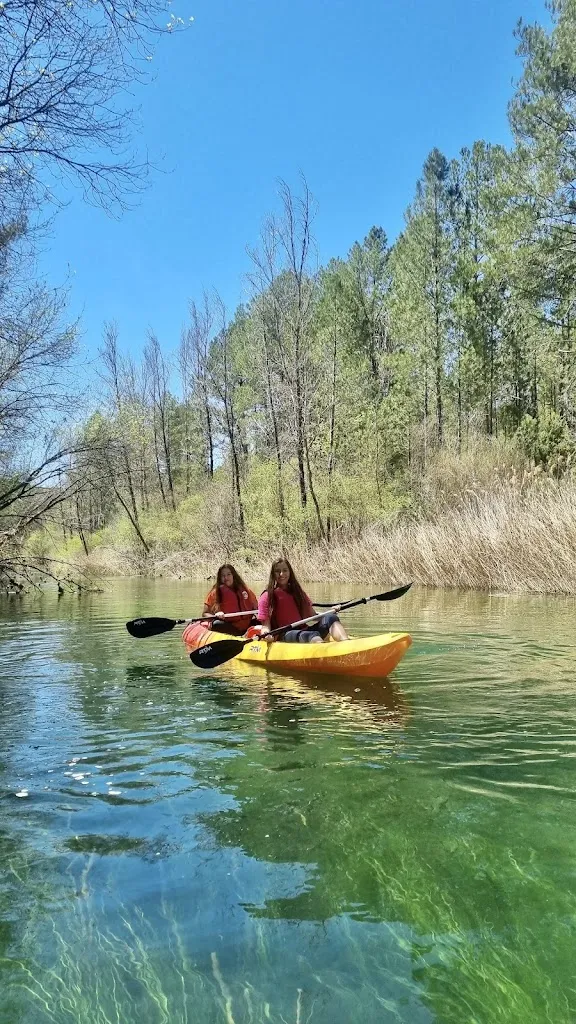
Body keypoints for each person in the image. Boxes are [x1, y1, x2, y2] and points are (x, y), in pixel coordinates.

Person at [256, 557, 349, 644]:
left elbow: (312, 615)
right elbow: (265, 626)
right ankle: (323, 650)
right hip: (284, 634)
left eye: (285, 570)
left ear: (290, 572)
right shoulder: (267, 596)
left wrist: (330, 613)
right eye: (277, 571)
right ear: (273, 574)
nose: (281, 574)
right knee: (311, 635)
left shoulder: (298, 593)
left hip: (304, 630)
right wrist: (266, 634)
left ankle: (346, 644)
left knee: (331, 618)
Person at [203, 565, 258, 636]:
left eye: (228, 574)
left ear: (233, 575)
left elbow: (256, 608)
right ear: (220, 578)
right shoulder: (215, 593)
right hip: (230, 627)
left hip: (247, 626)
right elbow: (205, 614)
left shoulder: (246, 590)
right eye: (223, 576)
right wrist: (215, 616)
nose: (226, 578)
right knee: (217, 624)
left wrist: (258, 614)